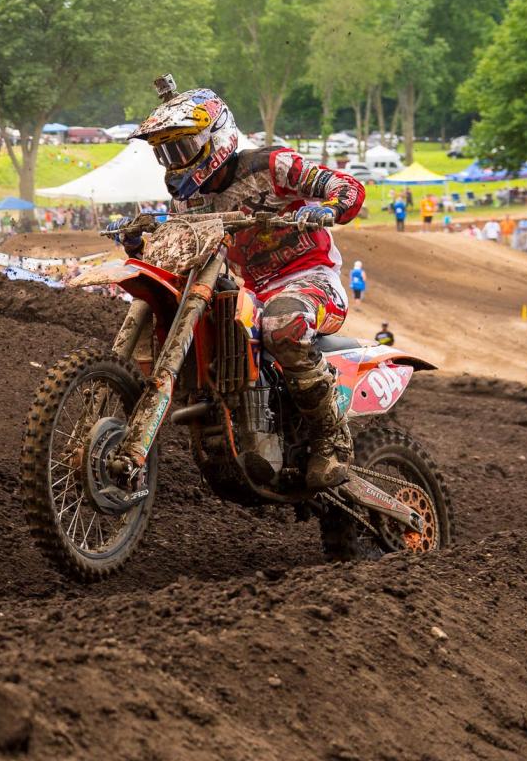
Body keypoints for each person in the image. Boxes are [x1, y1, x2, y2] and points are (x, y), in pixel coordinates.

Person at [128, 74, 365, 489]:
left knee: (281, 325)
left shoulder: (273, 166)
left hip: (310, 279)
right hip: (250, 290)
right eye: (166, 153)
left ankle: (332, 440)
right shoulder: (187, 200)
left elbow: (346, 186)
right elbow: (181, 249)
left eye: (183, 147)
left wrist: (327, 208)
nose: (176, 161)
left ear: (215, 138)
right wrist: (139, 242)